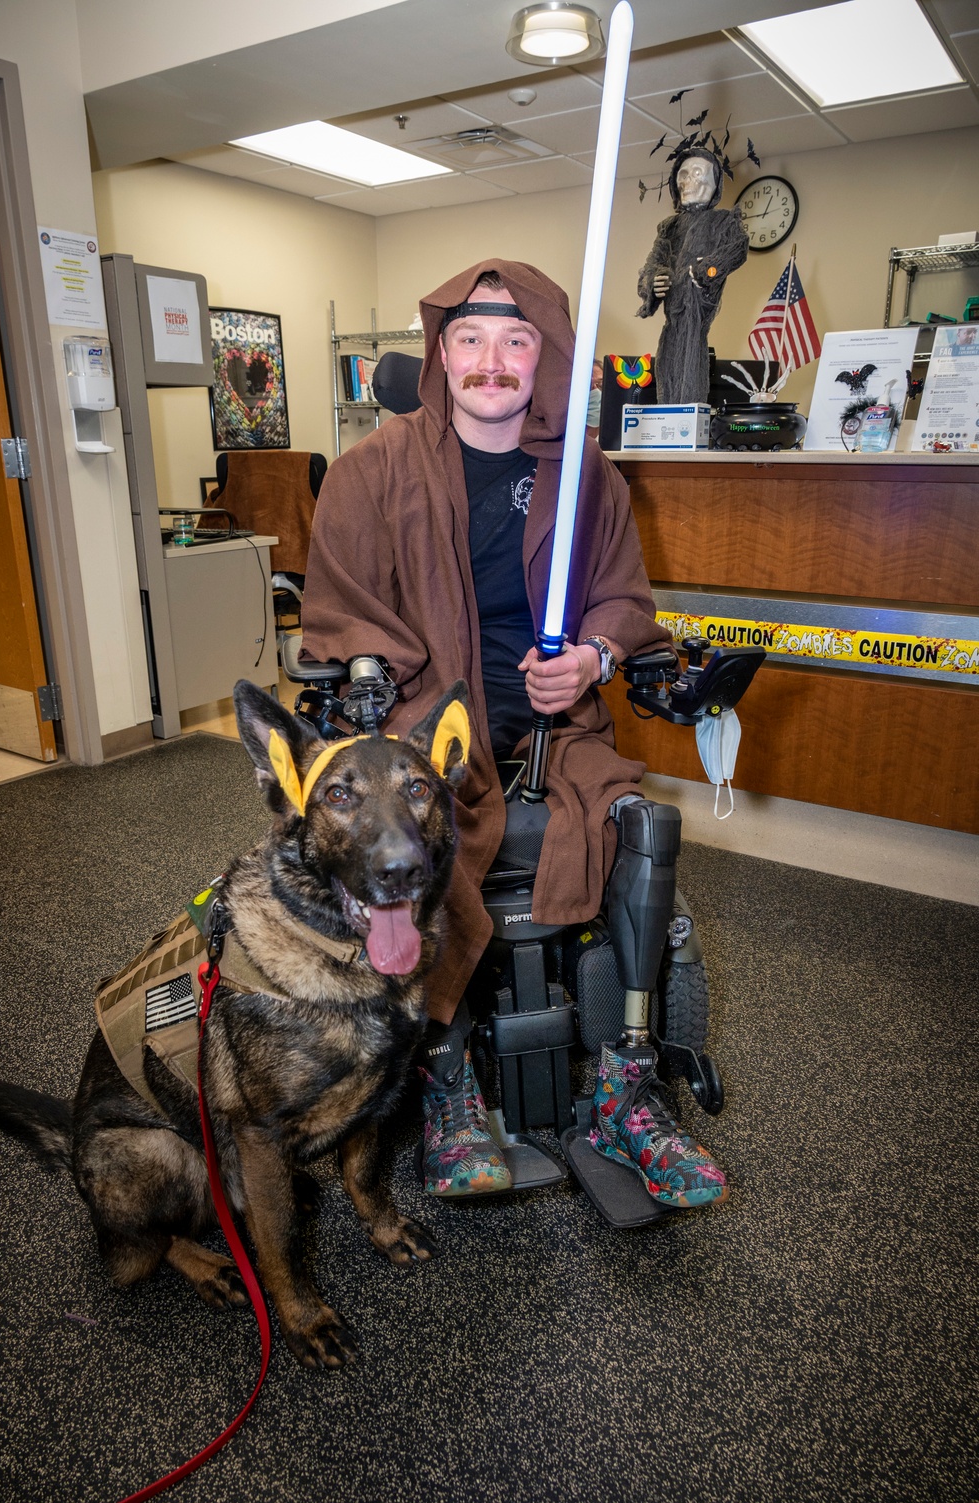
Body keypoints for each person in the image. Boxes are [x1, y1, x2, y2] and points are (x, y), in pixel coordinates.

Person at [301, 258, 727, 1207]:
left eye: (516, 339)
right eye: (471, 338)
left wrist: (593, 661)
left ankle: (626, 1080)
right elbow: (338, 615)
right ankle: (448, 1076)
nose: (492, 360)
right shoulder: (373, 474)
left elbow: (624, 600)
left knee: (635, 824)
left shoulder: (587, 478)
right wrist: (390, 690)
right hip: (425, 727)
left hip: (552, 728)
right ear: (440, 351)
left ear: (545, 356)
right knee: (419, 833)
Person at [636, 147, 748, 405]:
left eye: (698, 173)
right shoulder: (669, 227)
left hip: (697, 312)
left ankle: (685, 427)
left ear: (714, 182)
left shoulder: (723, 221)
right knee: (667, 369)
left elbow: (737, 248)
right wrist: (653, 282)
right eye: (683, 175)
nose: (688, 181)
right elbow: (652, 265)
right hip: (673, 318)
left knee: (690, 367)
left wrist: (709, 270)